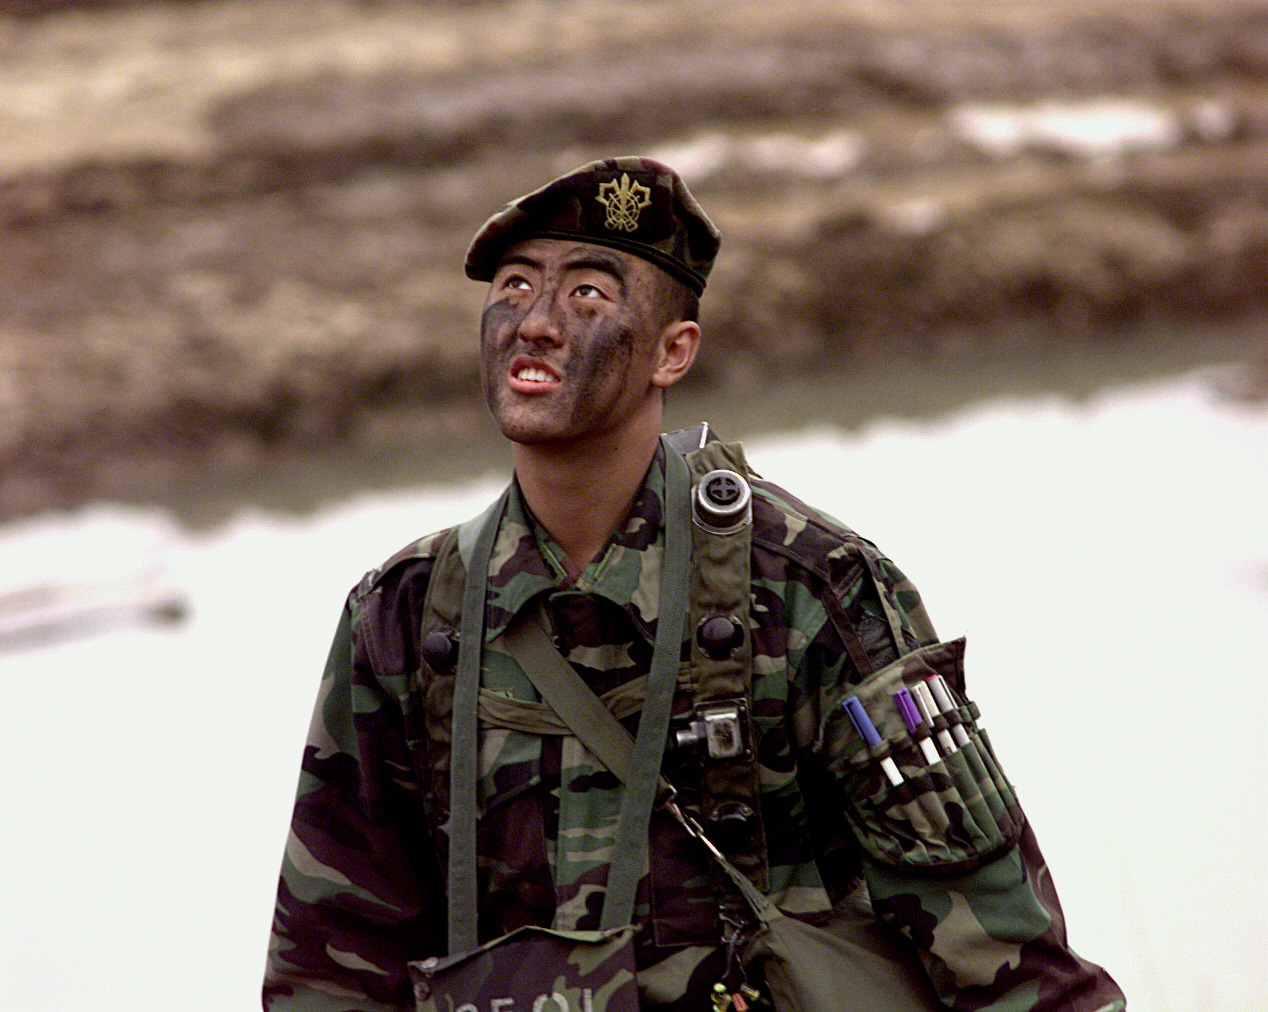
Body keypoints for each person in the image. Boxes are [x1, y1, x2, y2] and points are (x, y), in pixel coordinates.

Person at [263, 157, 1126, 1012]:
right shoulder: (409, 616)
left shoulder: (810, 586)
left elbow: (1010, 967)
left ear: (673, 353)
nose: (535, 324)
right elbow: (330, 972)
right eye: (516, 286)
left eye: (588, 297)